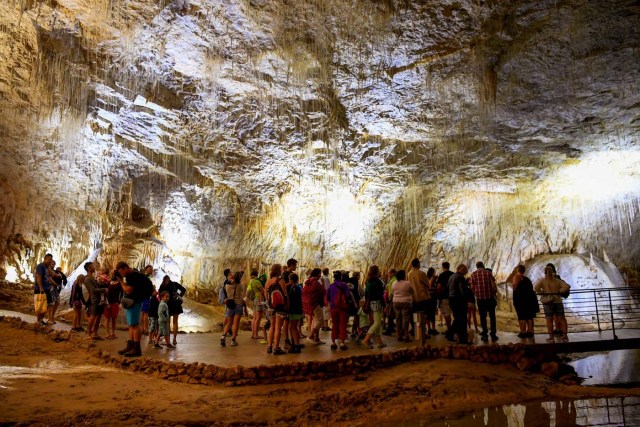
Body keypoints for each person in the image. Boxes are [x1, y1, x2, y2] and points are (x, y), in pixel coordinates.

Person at [115, 261, 152, 357]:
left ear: (125, 268)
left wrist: (121, 282)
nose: (121, 274)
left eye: (121, 271)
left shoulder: (132, 276)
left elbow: (128, 290)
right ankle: (130, 345)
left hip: (134, 301)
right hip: (134, 301)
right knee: (131, 325)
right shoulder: (134, 274)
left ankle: (136, 349)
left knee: (135, 325)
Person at [534, 266, 570, 343]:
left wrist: (541, 292)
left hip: (548, 303)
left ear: (545, 273)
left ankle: (551, 337)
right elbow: (567, 286)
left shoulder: (543, 281)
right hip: (557, 301)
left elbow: (535, 287)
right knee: (562, 318)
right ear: (552, 272)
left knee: (549, 320)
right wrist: (560, 291)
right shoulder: (557, 281)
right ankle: (565, 336)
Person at [468, 262, 498, 342]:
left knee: (482, 317)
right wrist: (492, 293)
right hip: (489, 299)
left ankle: (485, 334)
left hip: (480, 300)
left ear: (477, 267)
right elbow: (493, 285)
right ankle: (493, 333)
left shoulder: (473, 274)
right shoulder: (488, 273)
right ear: (483, 265)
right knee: (492, 316)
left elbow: (472, 287)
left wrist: (477, 294)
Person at [361, 265, 386, 349]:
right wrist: (384, 304)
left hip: (371, 303)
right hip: (378, 303)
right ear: (376, 272)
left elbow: (366, 294)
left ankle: (379, 342)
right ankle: (366, 340)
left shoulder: (367, 281)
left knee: (376, 322)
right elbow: (380, 294)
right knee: (377, 323)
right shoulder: (378, 282)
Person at [266, 264, 288, 355]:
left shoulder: (268, 282)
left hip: (271, 306)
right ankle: (276, 348)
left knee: (272, 326)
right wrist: (287, 305)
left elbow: (266, 296)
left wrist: (269, 304)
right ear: (279, 271)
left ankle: (269, 346)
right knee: (278, 327)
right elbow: (285, 295)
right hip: (280, 307)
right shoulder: (281, 281)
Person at [408, 258, 432, 341]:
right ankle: (423, 332)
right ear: (418, 264)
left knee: (415, 316)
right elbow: (427, 284)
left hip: (414, 297)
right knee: (424, 315)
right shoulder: (421, 273)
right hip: (423, 297)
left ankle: (416, 331)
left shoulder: (409, 274)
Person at [327, 271, 351, 351]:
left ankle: (333, 343)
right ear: (341, 277)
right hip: (342, 308)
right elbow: (347, 295)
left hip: (333, 308)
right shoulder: (344, 285)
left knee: (334, 325)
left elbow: (328, 298)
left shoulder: (330, 286)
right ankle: (342, 343)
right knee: (342, 325)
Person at [220, 271, 246, 347]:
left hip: (230, 305)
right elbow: (241, 295)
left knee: (229, 323)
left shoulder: (227, 286)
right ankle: (233, 340)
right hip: (238, 305)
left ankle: (223, 337)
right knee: (236, 323)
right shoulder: (240, 286)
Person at [159, 275, 186, 345]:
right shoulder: (174, 284)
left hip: (168, 305)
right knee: (175, 322)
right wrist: (179, 295)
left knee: (168, 323)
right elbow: (183, 289)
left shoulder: (163, 286)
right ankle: (174, 339)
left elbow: (159, 295)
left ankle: (169, 340)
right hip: (176, 305)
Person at [512, 265, 538, 338]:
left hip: (520, 300)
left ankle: (523, 332)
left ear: (518, 270)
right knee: (529, 316)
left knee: (522, 316)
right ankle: (530, 332)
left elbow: (514, 287)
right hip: (529, 300)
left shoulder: (516, 277)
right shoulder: (527, 279)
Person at [447, 264, 471, 344]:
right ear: (461, 269)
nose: (466, 272)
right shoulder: (460, 277)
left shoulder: (451, 276)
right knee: (462, 319)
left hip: (452, 299)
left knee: (458, 318)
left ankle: (456, 336)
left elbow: (448, 288)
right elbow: (463, 291)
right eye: (465, 270)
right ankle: (461, 338)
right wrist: (467, 300)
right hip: (459, 300)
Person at [84, 262, 108, 340]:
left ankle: (95, 333)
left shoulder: (93, 277)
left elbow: (97, 286)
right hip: (94, 299)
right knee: (93, 316)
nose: (94, 267)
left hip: (100, 299)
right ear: (88, 268)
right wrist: (104, 289)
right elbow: (93, 290)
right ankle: (88, 333)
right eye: (92, 266)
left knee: (98, 316)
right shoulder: (87, 278)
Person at [302, 268, 326, 345]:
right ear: (317, 274)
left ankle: (317, 338)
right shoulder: (315, 282)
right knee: (320, 320)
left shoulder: (308, 282)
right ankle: (311, 336)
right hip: (315, 303)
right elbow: (323, 291)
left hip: (308, 303)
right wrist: (323, 283)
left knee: (316, 320)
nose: (320, 275)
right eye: (320, 274)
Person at [392, 270, 413, 342]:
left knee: (398, 319)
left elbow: (393, 291)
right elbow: (411, 291)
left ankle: (399, 335)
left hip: (396, 302)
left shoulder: (394, 283)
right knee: (406, 319)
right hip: (405, 302)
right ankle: (406, 335)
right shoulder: (407, 283)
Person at [34, 253, 53, 326]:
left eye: (51, 260)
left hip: (46, 288)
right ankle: (38, 320)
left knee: (49, 304)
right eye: (49, 259)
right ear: (45, 259)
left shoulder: (46, 267)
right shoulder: (40, 266)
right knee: (40, 304)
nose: (50, 261)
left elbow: (50, 275)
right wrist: (41, 287)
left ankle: (40, 319)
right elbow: (38, 276)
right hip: (41, 288)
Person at [287, 273, 304, 353]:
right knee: (292, 327)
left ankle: (296, 345)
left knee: (293, 327)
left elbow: (291, 299)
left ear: (291, 280)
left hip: (294, 310)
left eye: (289, 279)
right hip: (298, 309)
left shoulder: (293, 288)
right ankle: (295, 343)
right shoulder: (299, 287)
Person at [247, 269, 266, 339]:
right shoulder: (257, 281)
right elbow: (262, 290)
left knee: (254, 318)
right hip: (258, 299)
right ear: (257, 274)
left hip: (254, 299)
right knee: (258, 318)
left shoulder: (251, 281)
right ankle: (256, 334)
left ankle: (253, 334)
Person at [104, 272, 123, 339]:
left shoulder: (119, 284)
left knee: (113, 319)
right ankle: (107, 333)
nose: (111, 275)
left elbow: (122, 293)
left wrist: (119, 301)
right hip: (108, 303)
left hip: (115, 303)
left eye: (113, 274)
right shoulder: (108, 283)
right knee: (107, 318)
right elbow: (105, 292)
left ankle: (113, 333)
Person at [436, 262, 454, 331]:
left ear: (443, 267)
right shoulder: (453, 274)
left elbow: (439, 287)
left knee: (447, 315)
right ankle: (454, 329)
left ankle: (449, 330)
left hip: (445, 297)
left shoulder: (442, 275)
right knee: (454, 314)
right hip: (453, 297)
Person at [383, 269, 397, 336]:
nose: (388, 274)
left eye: (389, 273)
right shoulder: (392, 280)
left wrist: (390, 298)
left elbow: (392, 290)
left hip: (392, 298)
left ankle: (389, 329)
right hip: (391, 298)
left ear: (393, 273)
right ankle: (391, 328)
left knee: (390, 314)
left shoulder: (394, 280)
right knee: (391, 314)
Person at [425, 267, 439, 335]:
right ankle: (433, 329)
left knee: (428, 314)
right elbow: (430, 285)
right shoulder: (433, 278)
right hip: (432, 298)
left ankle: (429, 328)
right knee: (432, 313)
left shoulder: (425, 278)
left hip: (427, 298)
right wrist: (436, 289)